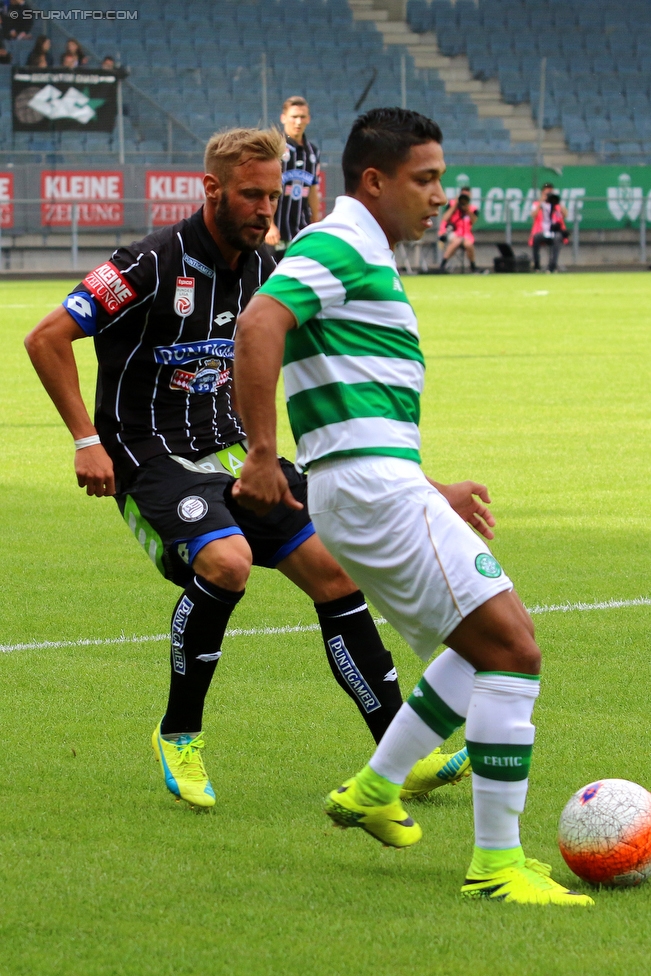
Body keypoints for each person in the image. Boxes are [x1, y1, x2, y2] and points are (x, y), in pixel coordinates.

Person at [25, 126, 468, 813]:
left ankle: (396, 754)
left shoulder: (268, 269)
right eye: (252, 196)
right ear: (212, 190)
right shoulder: (146, 263)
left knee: (333, 570)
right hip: (151, 454)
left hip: (236, 453)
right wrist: (86, 440)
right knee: (226, 562)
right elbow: (47, 337)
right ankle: (178, 734)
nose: (266, 210)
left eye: (275, 195)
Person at [232, 107, 594, 907]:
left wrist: (429, 487)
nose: (438, 195)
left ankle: (374, 786)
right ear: (375, 180)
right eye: (424, 179)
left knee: (475, 645)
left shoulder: (361, 251)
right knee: (513, 649)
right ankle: (496, 865)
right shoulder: (341, 241)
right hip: (368, 493)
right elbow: (258, 324)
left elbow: (347, 409)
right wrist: (260, 454)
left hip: (372, 484)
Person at [264, 96, 320, 255]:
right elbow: (265, 190)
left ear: (308, 119)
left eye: (302, 117)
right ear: (283, 118)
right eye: (294, 117)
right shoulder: (275, 148)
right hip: (275, 233)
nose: (298, 122)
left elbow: (313, 191)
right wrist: (269, 225)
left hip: (301, 231)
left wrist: (316, 222)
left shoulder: (313, 152)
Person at [529, 183, 568, 273]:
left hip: (555, 231)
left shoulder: (557, 205)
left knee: (557, 238)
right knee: (536, 238)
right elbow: (533, 214)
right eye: (546, 193)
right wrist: (541, 202)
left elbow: (565, 215)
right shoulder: (537, 204)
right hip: (542, 231)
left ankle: (552, 266)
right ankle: (537, 266)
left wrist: (558, 202)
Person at [439, 186, 478, 272]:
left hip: (466, 235)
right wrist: (456, 205)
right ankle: (443, 265)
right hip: (453, 233)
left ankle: (473, 267)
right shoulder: (452, 204)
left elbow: (474, 221)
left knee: (469, 245)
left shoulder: (472, 209)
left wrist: (467, 210)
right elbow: (445, 218)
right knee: (457, 241)